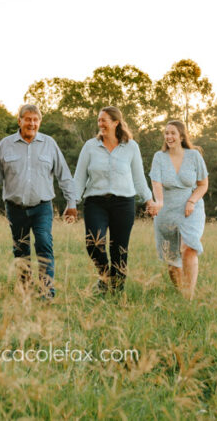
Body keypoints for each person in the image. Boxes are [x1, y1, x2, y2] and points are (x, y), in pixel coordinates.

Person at [0, 104, 75, 299]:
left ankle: (46, 292)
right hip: (15, 208)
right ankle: (25, 289)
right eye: (28, 119)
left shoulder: (49, 144)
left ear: (39, 122)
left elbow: (64, 175)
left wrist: (71, 203)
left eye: (35, 120)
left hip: (42, 207)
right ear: (20, 121)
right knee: (20, 250)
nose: (32, 123)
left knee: (43, 242)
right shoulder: (5, 145)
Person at [65, 106, 154, 294]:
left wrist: (149, 200)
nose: (100, 124)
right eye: (99, 120)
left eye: (104, 120)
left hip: (124, 203)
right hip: (95, 202)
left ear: (116, 123)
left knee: (119, 249)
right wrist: (72, 204)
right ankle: (105, 277)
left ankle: (117, 291)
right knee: (94, 244)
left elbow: (138, 178)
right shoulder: (90, 146)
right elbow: (79, 178)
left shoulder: (131, 147)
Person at [146, 120, 209, 300]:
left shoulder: (194, 156)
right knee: (171, 260)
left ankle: (189, 295)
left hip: (190, 208)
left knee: (189, 247)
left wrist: (192, 200)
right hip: (166, 209)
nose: (169, 136)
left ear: (181, 136)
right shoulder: (159, 157)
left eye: (173, 133)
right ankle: (181, 294)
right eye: (166, 133)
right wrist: (159, 202)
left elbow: (203, 185)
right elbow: (156, 183)